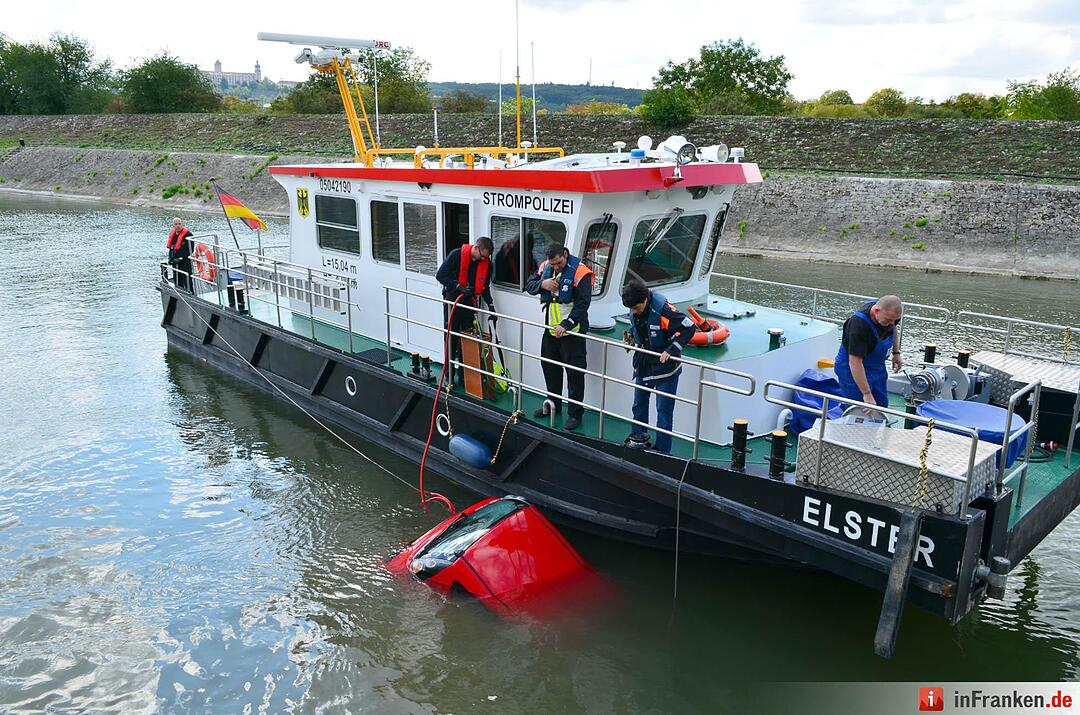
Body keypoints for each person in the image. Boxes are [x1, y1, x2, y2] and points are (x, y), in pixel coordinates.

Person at [620, 279, 697, 453]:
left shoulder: (664, 310)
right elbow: (638, 328)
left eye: (635, 308)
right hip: (644, 363)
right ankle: (637, 439)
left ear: (645, 300)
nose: (633, 311)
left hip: (665, 368)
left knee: (663, 411)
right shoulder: (636, 310)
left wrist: (672, 349)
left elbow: (689, 328)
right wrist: (631, 338)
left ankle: (663, 452)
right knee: (638, 404)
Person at [525, 244, 593, 431]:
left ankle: (575, 414)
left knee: (575, 374)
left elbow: (583, 305)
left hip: (572, 333)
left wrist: (567, 324)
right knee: (549, 367)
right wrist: (543, 284)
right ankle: (553, 404)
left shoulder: (581, 273)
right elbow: (529, 286)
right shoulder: (544, 267)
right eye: (553, 264)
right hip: (550, 331)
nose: (556, 267)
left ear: (565, 254)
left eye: (559, 263)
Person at [435, 237, 496, 381]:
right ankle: (449, 375)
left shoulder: (486, 264)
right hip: (453, 302)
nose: (482, 259)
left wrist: (491, 306)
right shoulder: (456, 255)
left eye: (485, 257)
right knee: (451, 337)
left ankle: (464, 376)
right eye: (481, 256)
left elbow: (484, 287)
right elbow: (440, 275)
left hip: (469, 303)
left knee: (467, 338)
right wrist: (457, 286)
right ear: (476, 248)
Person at [834, 295, 904, 409]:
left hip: (877, 367)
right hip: (851, 369)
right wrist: (866, 393)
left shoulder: (890, 314)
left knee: (881, 405)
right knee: (858, 409)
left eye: (894, 321)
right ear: (876, 311)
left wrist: (896, 353)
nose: (892, 323)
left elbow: (894, 329)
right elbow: (855, 362)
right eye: (888, 320)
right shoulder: (858, 326)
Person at [166, 217, 193, 292]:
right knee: (177, 280)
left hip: (185, 262)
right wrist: (170, 259)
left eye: (179, 224)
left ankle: (190, 293)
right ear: (173, 225)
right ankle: (179, 292)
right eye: (176, 224)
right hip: (175, 263)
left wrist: (180, 258)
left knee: (187, 280)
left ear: (182, 224)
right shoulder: (173, 235)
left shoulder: (188, 235)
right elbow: (171, 248)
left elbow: (190, 250)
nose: (178, 226)